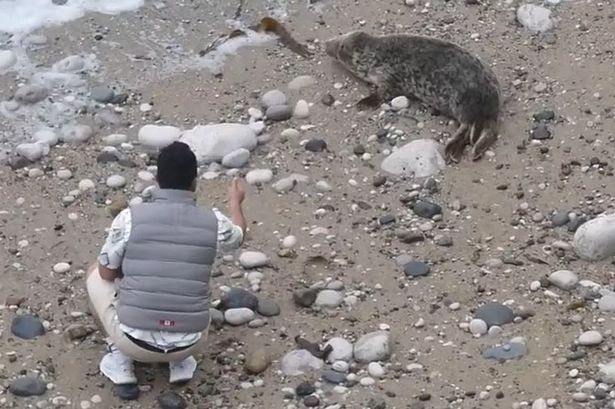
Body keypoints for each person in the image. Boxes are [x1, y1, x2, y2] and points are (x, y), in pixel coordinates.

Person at [86, 141, 246, 399]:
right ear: (194, 183)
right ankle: (179, 362)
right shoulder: (214, 221)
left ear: (157, 180)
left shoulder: (129, 217)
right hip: (191, 342)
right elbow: (238, 236)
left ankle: (121, 359)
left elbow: (106, 273)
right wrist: (235, 202)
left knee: (95, 271)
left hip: (133, 340)